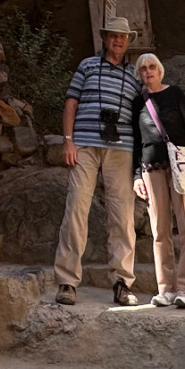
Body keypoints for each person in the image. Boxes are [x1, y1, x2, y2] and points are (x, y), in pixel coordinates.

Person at [53, 16, 144, 306]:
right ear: (105, 39)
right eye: (113, 36)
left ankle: (122, 283)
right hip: (85, 146)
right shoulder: (87, 66)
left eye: (123, 37)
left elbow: (144, 113)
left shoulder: (135, 75)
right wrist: (68, 141)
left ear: (128, 41)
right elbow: (71, 103)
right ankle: (67, 281)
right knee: (76, 209)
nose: (118, 41)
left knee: (122, 214)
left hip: (122, 149)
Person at [130, 51, 185, 308]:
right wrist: (136, 175)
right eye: (143, 69)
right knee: (159, 231)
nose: (148, 72)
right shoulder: (137, 102)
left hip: (183, 165)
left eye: (152, 67)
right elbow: (135, 142)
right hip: (151, 168)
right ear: (139, 74)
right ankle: (165, 288)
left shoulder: (174, 94)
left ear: (159, 69)